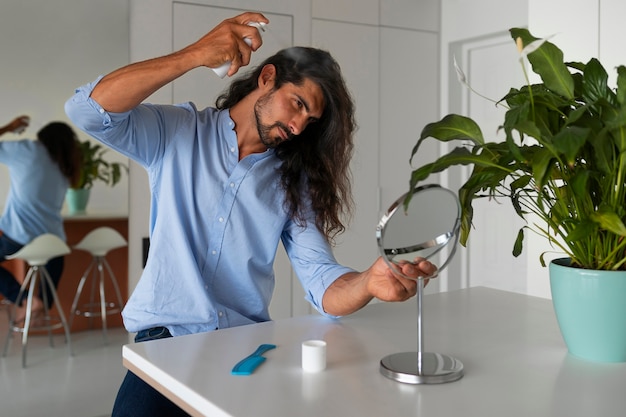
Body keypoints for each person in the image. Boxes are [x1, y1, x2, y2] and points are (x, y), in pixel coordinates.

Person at [65, 11, 437, 417]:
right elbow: (86, 110)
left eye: (309, 121)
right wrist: (194, 54)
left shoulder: (293, 184)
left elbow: (322, 283)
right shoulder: (176, 134)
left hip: (245, 350)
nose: (297, 127)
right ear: (267, 78)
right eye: (297, 104)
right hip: (165, 342)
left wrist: (369, 281)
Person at [0, 116, 81, 322]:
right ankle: (42, 302)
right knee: (54, 262)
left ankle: (26, 299)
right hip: (54, 245)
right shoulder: (65, 167)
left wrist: (10, 127)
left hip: (19, 237)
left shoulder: (28, 150)